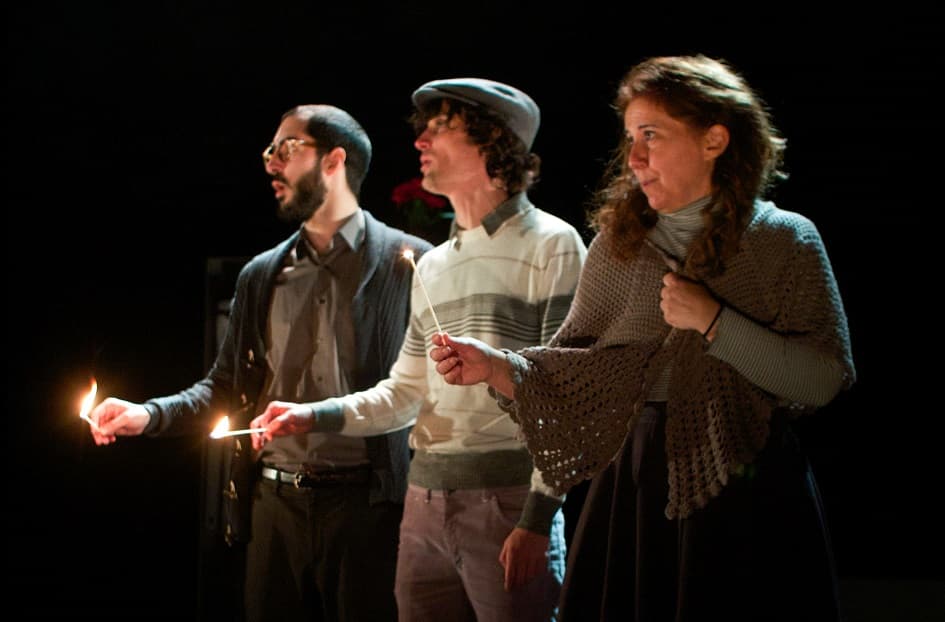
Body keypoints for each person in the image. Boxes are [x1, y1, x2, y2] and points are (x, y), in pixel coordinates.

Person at [430, 55, 855, 622]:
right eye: (630, 138)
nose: (634, 157)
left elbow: (823, 379)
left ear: (714, 140)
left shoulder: (784, 239)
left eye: (651, 135)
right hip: (634, 492)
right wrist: (495, 366)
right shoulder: (619, 247)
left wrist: (714, 321)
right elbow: (575, 381)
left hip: (748, 492)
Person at [251, 78, 588, 621]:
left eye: (440, 127)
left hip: (506, 503)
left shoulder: (553, 243)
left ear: (491, 140)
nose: (420, 141)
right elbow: (405, 393)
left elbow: (567, 396)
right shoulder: (433, 264)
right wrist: (310, 415)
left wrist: (537, 516)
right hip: (423, 504)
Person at [88, 104, 433, 622]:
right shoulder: (261, 274)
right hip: (274, 507)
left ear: (334, 160)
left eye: (286, 148)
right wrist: (148, 414)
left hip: (371, 511)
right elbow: (226, 386)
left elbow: (428, 392)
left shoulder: (411, 264)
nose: (270, 162)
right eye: (270, 150)